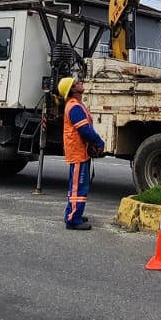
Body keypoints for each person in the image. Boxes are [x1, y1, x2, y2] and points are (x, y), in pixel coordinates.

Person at [59, 76, 105, 230]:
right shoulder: (74, 107)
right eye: (76, 83)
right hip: (78, 152)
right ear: (72, 90)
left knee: (77, 186)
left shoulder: (77, 105)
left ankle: (72, 214)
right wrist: (99, 142)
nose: (80, 83)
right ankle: (73, 219)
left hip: (80, 152)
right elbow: (84, 130)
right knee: (78, 187)